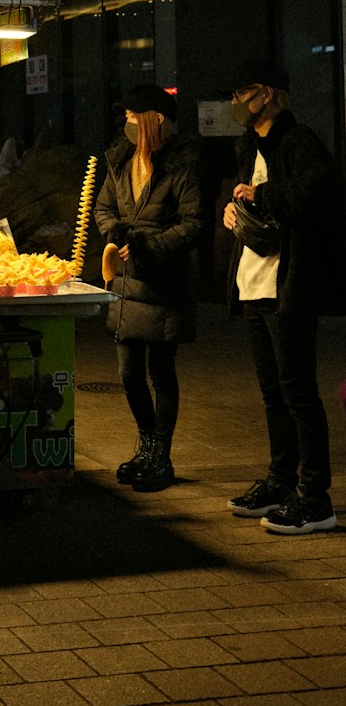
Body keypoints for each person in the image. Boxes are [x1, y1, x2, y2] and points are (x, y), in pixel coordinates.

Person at [222, 58, 341, 534]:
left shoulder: (299, 141)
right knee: (273, 393)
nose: (234, 101)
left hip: (289, 284)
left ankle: (316, 498)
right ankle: (280, 480)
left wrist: (259, 196)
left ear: (266, 93)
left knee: (299, 393)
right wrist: (231, 211)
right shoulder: (248, 144)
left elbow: (319, 193)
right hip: (254, 282)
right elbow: (244, 196)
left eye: (241, 92)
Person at [94, 85, 206, 491]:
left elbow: (193, 224)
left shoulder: (182, 165)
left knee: (161, 372)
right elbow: (103, 207)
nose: (125, 123)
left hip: (164, 285)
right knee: (127, 374)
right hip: (125, 285)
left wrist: (148, 245)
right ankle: (146, 442)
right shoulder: (120, 160)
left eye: (132, 117)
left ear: (154, 120)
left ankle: (161, 454)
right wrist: (118, 233)